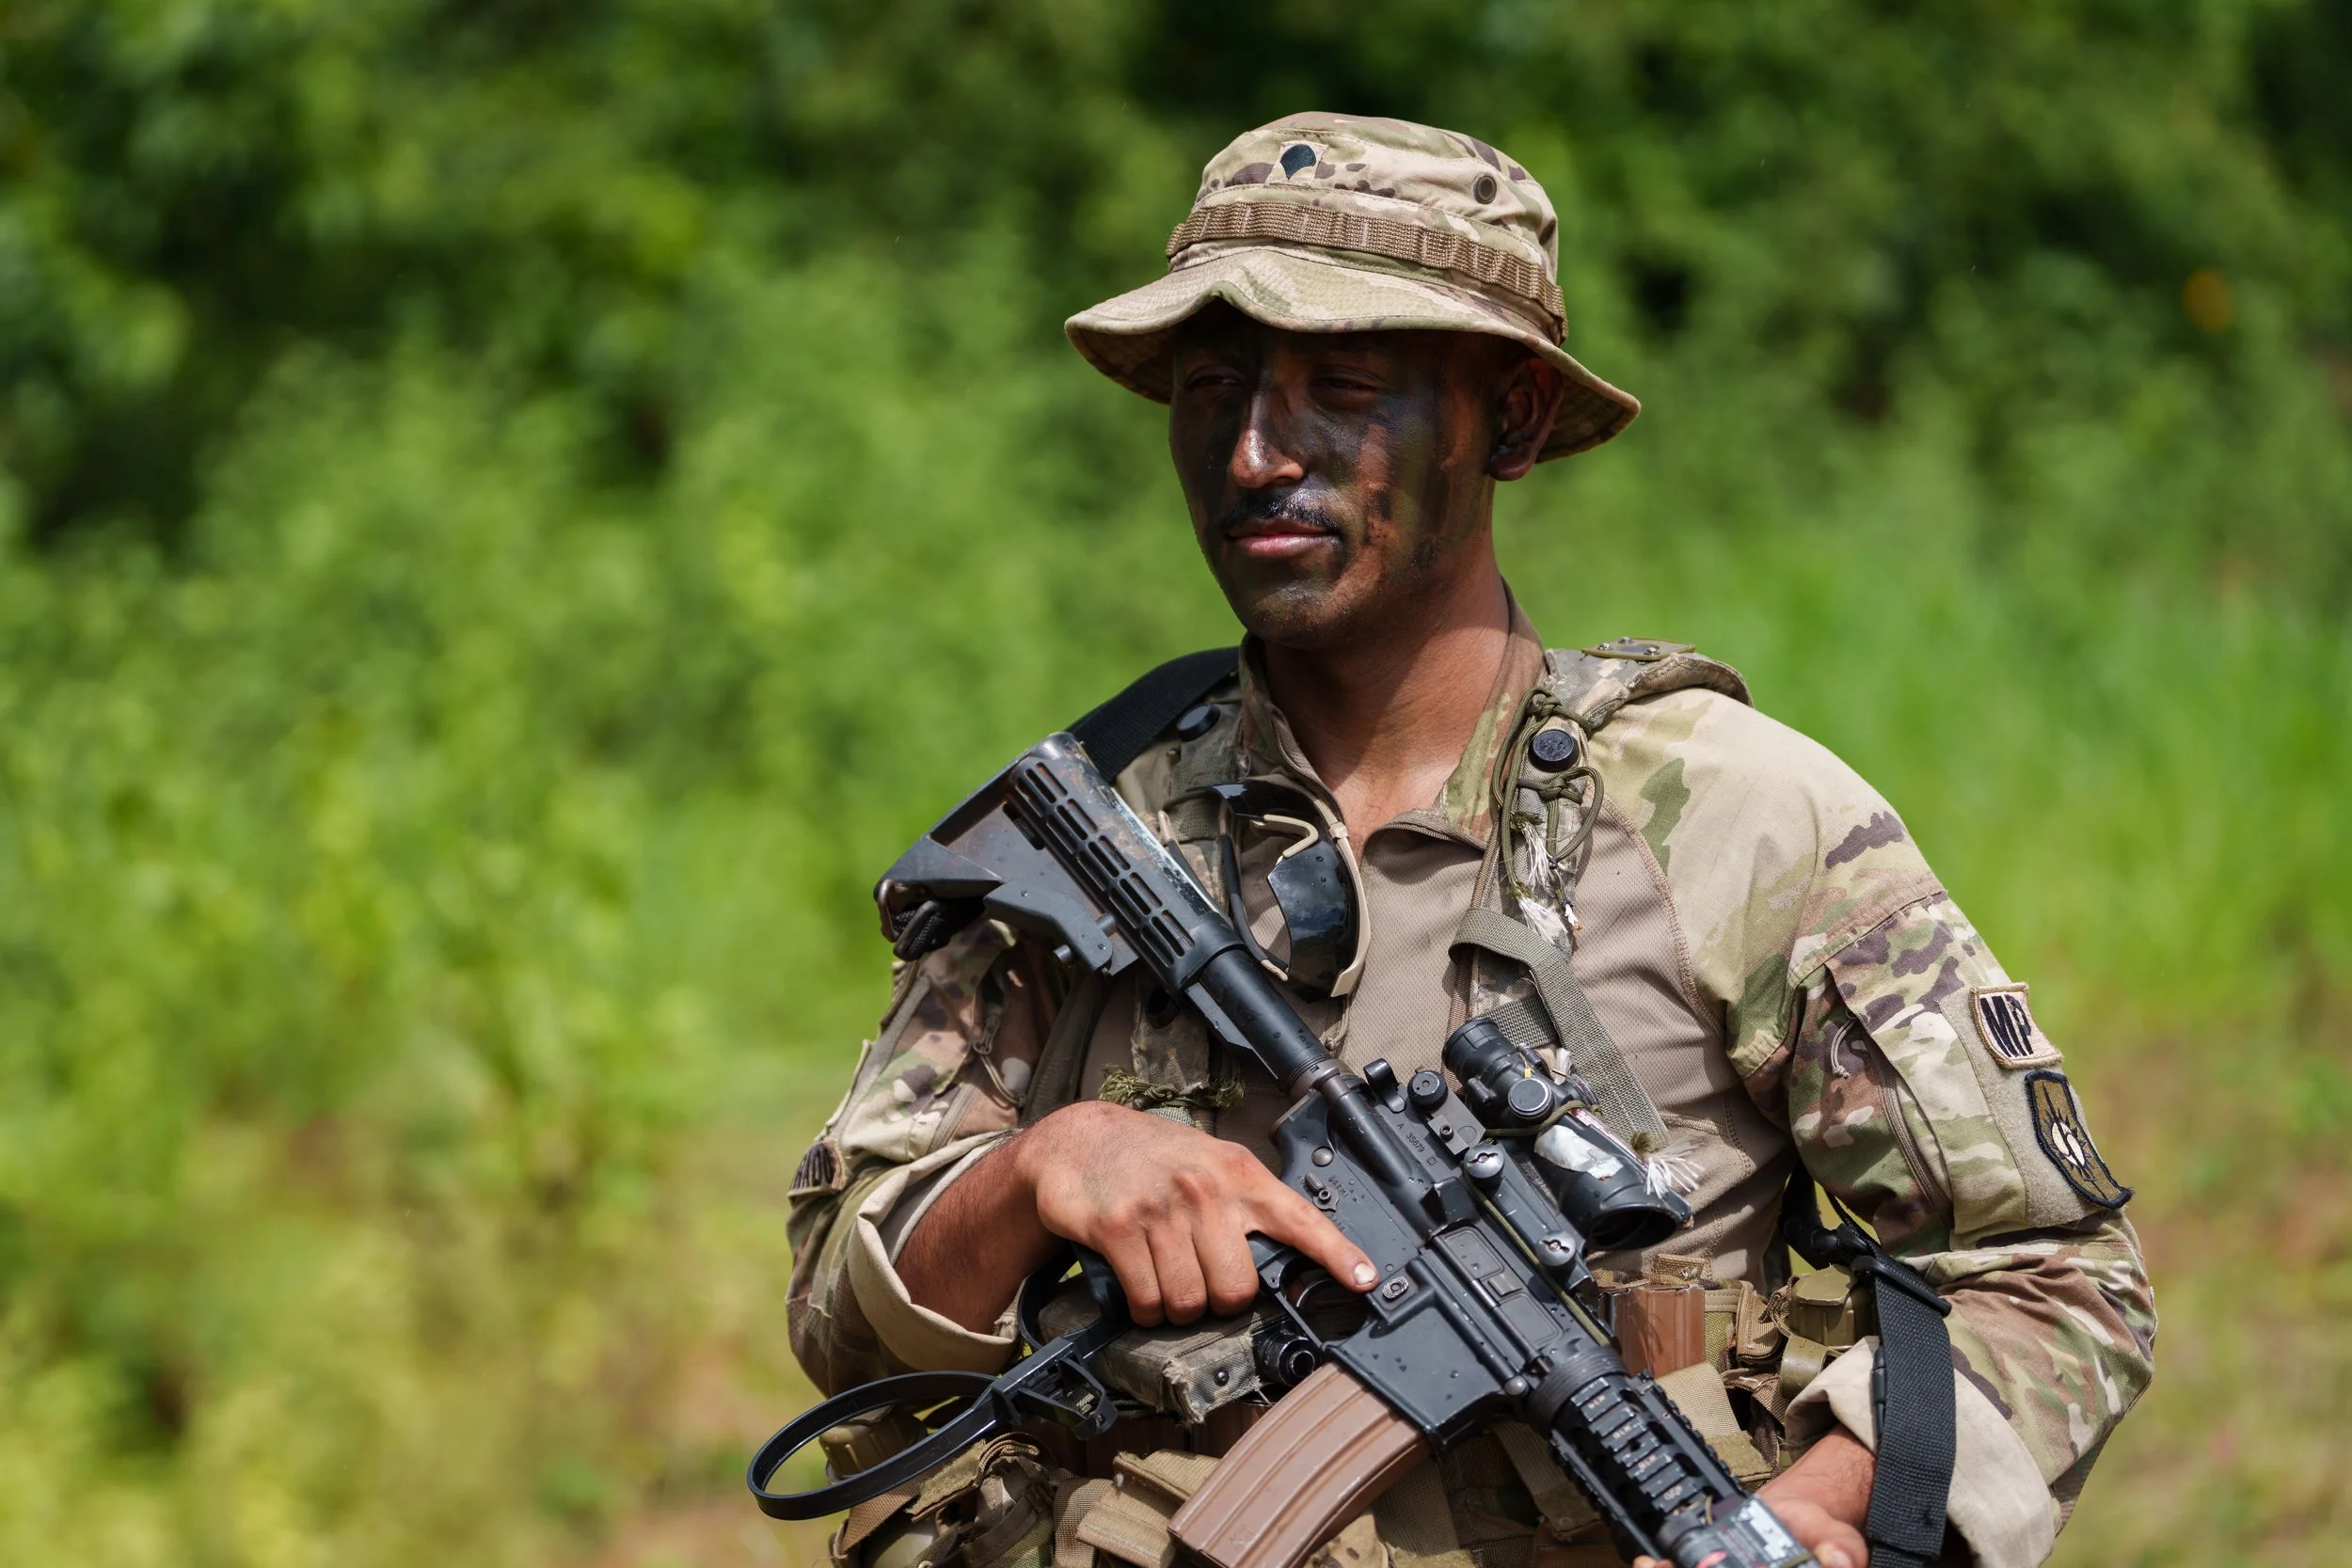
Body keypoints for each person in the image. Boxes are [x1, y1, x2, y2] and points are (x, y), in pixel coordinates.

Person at [785, 113, 2153, 1568]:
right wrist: (1042, 1165)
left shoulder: (1737, 821)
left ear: (1506, 422)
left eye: (1344, 388)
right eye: (1213, 384)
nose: (1254, 453)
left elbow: (2057, 1271)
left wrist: (1829, 1503)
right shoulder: (1094, 832)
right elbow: (836, 1313)